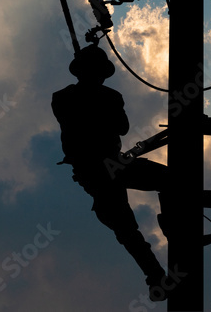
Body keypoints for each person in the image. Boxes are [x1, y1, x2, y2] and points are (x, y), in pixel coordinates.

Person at [51, 44, 171, 302]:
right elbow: (120, 126)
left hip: (104, 168)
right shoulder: (92, 97)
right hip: (98, 169)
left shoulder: (67, 97)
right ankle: (157, 275)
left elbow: (120, 127)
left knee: (128, 225)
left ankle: (167, 252)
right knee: (126, 226)